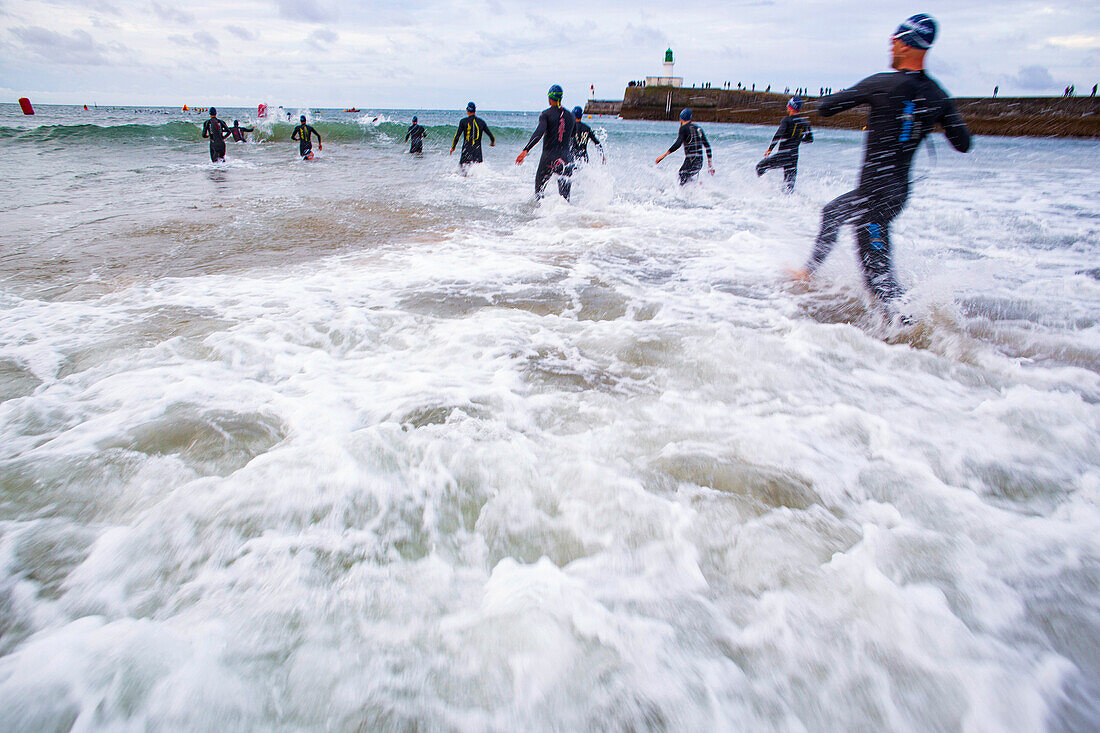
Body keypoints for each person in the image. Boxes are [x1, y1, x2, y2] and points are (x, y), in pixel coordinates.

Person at [791, 13, 971, 304]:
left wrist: (857, 94)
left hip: (873, 195)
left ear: (906, 44)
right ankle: (807, 273)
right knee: (833, 212)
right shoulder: (938, 95)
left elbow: (825, 107)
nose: (890, 47)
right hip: (895, 193)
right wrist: (926, 117)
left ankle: (914, 335)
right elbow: (963, 143)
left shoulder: (882, 83)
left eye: (893, 41)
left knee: (880, 286)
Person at [515, 85, 575, 200]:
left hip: (549, 158)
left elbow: (539, 132)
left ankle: (540, 216)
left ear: (549, 98)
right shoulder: (571, 116)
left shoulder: (546, 114)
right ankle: (565, 217)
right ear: (560, 98)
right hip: (566, 159)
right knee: (565, 198)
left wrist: (526, 149)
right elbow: (572, 138)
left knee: (539, 192)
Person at [755, 97, 813, 193]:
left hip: (784, 154)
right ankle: (789, 204)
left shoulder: (786, 120)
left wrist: (770, 149)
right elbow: (810, 139)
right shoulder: (805, 122)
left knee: (760, 167)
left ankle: (763, 190)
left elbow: (778, 134)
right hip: (794, 157)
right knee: (789, 187)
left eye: (788, 105)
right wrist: (797, 139)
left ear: (791, 106)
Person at [655, 108, 714, 185]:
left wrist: (664, 155)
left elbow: (678, 143)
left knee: (682, 176)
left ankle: (692, 187)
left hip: (691, 160)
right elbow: (708, 146)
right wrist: (710, 165)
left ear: (681, 119)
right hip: (699, 162)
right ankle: (698, 185)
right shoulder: (699, 129)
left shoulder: (683, 128)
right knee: (686, 177)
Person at [450, 102, 495, 167]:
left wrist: (453, 147)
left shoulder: (463, 121)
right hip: (477, 151)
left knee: (462, 171)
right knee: (477, 171)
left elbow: (457, 136)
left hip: (466, 151)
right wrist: (492, 142)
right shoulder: (481, 122)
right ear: (475, 110)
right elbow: (491, 136)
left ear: (467, 110)